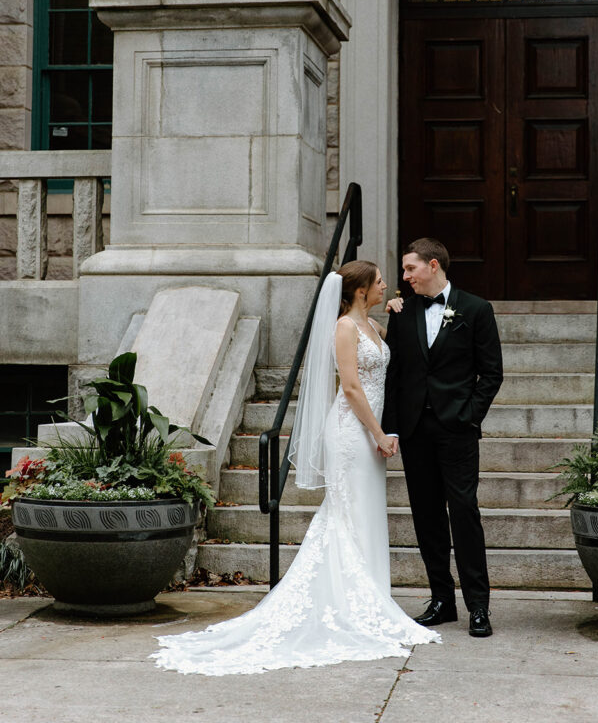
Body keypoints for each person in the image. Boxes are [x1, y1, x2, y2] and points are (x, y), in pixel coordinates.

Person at [152, 260, 439, 676]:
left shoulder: (373, 327)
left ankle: (370, 599)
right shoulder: (344, 328)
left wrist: (398, 310)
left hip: (369, 431)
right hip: (351, 432)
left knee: (364, 514)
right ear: (359, 291)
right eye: (379, 282)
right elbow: (353, 387)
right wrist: (379, 433)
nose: (385, 286)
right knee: (348, 513)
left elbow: (388, 371)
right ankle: (351, 603)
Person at [383, 237, 503, 638]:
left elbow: (492, 373)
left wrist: (468, 416)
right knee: (427, 516)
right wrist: (393, 426)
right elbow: (394, 372)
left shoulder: (476, 309)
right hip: (416, 431)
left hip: (457, 430)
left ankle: (478, 607)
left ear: (433, 265)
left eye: (410, 269)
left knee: (464, 512)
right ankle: (441, 600)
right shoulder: (402, 312)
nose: (405, 277)